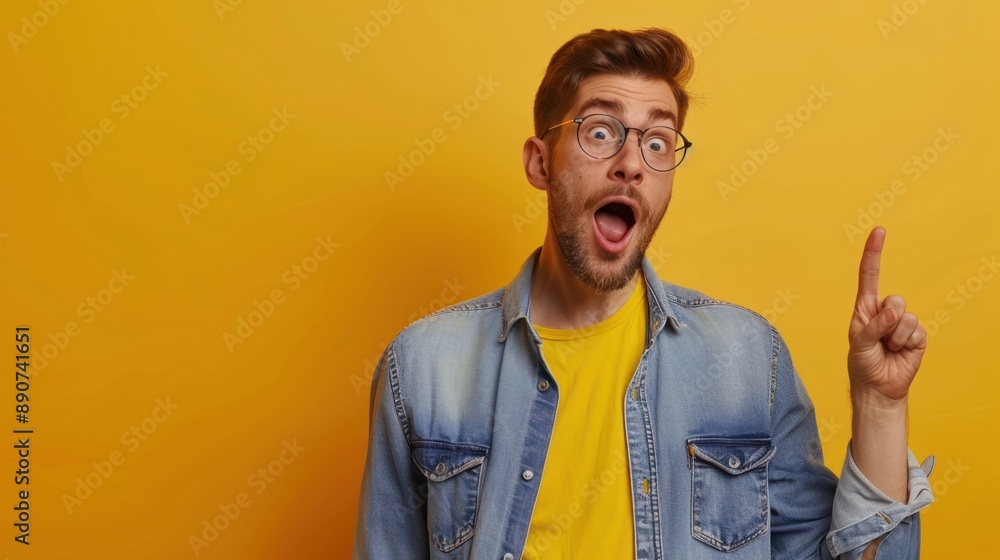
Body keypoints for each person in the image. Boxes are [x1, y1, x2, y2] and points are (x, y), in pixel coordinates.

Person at [354, 27, 933, 559]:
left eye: (658, 141)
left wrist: (881, 408)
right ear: (540, 163)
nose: (632, 162)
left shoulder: (746, 359)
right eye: (600, 132)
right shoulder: (426, 367)